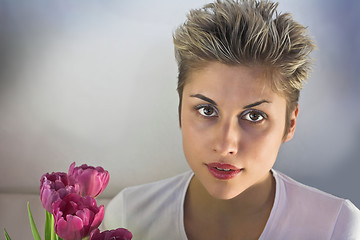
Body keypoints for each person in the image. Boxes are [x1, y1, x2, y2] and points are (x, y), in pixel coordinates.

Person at [104, 0, 360, 239]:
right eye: (206, 110)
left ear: (290, 124)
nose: (226, 144)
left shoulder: (336, 226)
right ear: (180, 109)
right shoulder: (128, 215)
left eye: (254, 116)